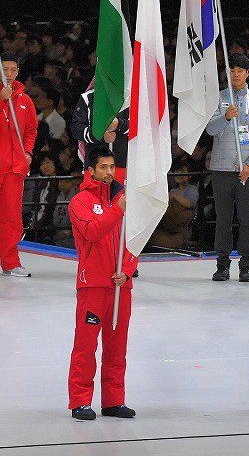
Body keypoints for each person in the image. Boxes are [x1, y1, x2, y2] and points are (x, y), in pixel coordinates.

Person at [67, 148, 138, 420]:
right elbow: (93, 231)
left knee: (117, 346)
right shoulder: (79, 202)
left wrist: (128, 271)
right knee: (86, 346)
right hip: (93, 285)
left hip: (121, 286)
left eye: (112, 167)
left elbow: (133, 241)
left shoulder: (123, 199)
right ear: (91, 170)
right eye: (104, 167)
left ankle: (113, 400)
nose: (109, 172)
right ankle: (80, 401)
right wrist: (118, 211)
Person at [206, 54, 249, 283]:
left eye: (240, 70)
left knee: (247, 219)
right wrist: (226, 117)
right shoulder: (217, 99)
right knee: (223, 219)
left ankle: (246, 265)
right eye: (232, 70)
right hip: (221, 168)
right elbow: (209, 129)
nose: (235, 74)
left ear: (248, 73)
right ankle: (222, 265)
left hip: (248, 168)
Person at [0, 52, 38, 277]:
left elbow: (32, 129)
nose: (10, 74)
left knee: (12, 218)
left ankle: (10, 262)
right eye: (5, 70)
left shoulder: (24, 100)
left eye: (13, 70)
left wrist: (28, 152)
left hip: (15, 168)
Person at [71, 87, 130, 182]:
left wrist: (119, 124)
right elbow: (76, 129)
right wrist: (99, 134)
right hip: (94, 167)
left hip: (125, 167)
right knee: (93, 197)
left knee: (122, 197)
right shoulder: (87, 97)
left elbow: (142, 125)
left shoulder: (130, 96)